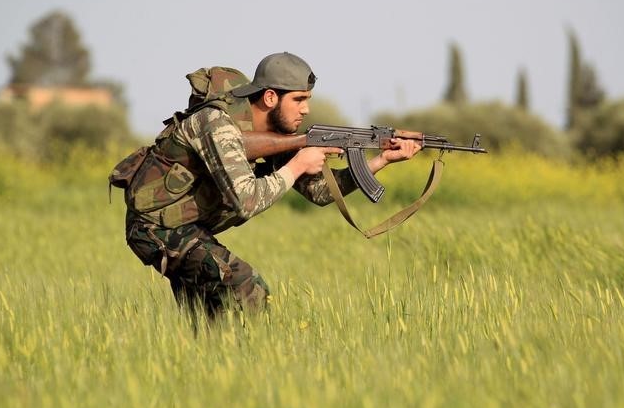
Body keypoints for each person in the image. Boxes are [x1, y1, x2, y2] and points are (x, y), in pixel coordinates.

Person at [122, 52, 420, 320]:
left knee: (211, 315)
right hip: (155, 228)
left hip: (189, 227)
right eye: (299, 100)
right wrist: (298, 164)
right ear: (269, 98)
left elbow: (320, 192)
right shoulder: (216, 124)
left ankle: (217, 371)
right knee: (248, 290)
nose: (305, 110)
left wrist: (380, 161)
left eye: (308, 100)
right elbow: (246, 201)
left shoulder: (277, 133)